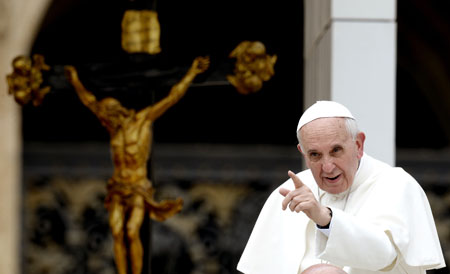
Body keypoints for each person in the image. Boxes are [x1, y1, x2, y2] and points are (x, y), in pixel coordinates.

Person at [237, 101, 446, 274]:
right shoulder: (288, 194)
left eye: (336, 150)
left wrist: (325, 219)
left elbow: (385, 255)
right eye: (315, 155)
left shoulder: (396, 184)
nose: (327, 167)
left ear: (358, 145)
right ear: (303, 153)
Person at [64, 56, 210, 274]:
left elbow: (171, 98)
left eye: (109, 118)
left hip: (138, 187)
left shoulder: (142, 121)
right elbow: (88, 101)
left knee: (132, 231)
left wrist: (191, 73)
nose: (106, 122)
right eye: (105, 119)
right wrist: (74, 79)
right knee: (115, 231)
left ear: (118, 113)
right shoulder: (113, 127)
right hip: (117, 187)